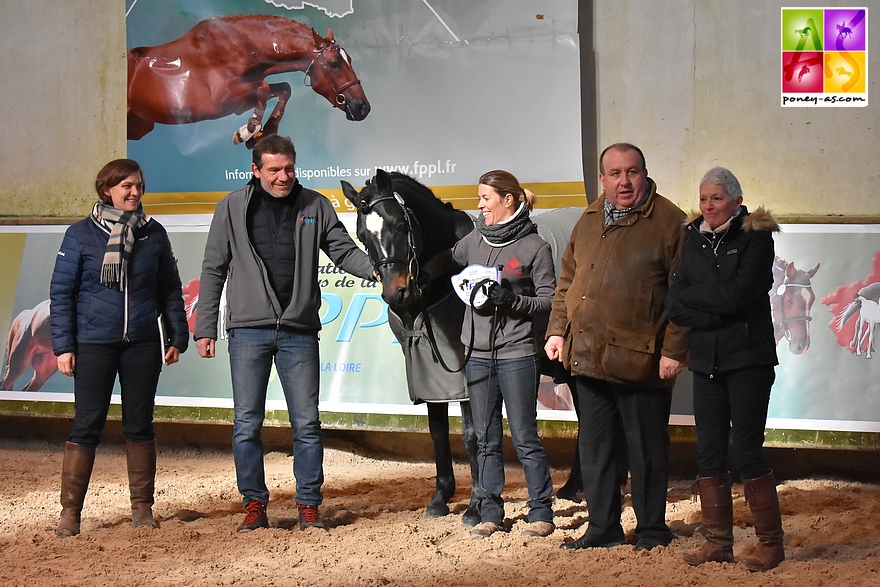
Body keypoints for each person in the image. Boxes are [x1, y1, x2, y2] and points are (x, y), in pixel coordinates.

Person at [194, 134, 374, 532]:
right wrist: (204, 326)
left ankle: (309, 506)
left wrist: (376, 269)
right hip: (247, 332)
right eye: (274, 169)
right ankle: (254, 505)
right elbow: (212, 268)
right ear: (255, 170)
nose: (283, 176)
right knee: (246, 424)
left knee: (307, 424)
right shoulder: (231, 207)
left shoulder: (315, 205)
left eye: (289, 168)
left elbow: (343, 250)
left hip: (299, 332)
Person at [544, 143, 689, 552]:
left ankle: (651, 531)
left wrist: (674, 350)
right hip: (588, 358)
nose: (624, 181)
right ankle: (602, 528)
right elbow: (566, 284)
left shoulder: (670, 222)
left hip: (642, 360)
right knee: (595, 449)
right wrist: (558, 330)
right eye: (615, 173)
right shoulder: (588, 218)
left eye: (632, 172)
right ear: (603, 178)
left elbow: (684, 296)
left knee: (646, 451)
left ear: (645, 174)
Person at [50, 159, 189, 538]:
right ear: (107, 189)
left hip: (143, 343)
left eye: (139, 186)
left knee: (140, 425)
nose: (134, 193)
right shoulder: (80, 235)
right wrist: (63, 346)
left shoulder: (154, 234)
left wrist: (177, 335)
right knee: (86, 423)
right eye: (126, 186)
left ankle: (142, 508)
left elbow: (169, 290)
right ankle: (71, 512)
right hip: (93, 343)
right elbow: (61, 294)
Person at [423, 170, 557, 539]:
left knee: (525, 435)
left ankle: (541, 510)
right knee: (485, 436)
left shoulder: (534, 247)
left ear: (508, 200)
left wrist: (514, 301)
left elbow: (549, 298)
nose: (480, 205)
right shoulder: (475, 239)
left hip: (517, 353)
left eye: (485, 198)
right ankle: (491, 510)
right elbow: (449, 258)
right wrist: (423, 274)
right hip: (477, 354)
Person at [665, 167, 783, 571]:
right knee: (708, 453)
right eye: (703, 199)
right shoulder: (691, 238)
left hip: (749, 360)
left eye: (716, 198)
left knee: (748, 452)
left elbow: (738, 296)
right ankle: (718, 543)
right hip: (708, 362)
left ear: (736, 200)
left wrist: (706, 309)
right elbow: (674, 302)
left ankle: (771, 545)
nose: (708, 206)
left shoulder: (756, 236)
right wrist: (714, 310)